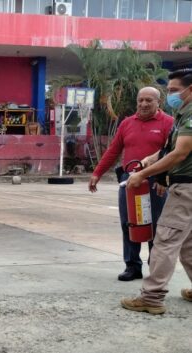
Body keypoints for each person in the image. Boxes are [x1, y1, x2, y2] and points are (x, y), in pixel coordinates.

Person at [121, 69, 192, 315]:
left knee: (165, 240)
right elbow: (167, 149)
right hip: (185, 185)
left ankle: (152, 297)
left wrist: (143, 174)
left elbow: (180, 153)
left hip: (187, 188)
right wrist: (148, 161)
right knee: (188, 244)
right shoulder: (182, 114)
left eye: (174, 91)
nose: (171, 95)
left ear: (190, 89)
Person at [88, 87, 174, 281]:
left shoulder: (168, 123)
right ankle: (132, 266)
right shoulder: (127, 123)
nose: (144, 104)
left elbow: (172, 153)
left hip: (156, 180)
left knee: (157, 223)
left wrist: (165, 177)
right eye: (140, 100)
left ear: (158, 102)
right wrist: (97, 173)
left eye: (149, 101)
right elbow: (113, 150)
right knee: (129, 222)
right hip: (129, 179)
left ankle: (156, 267)